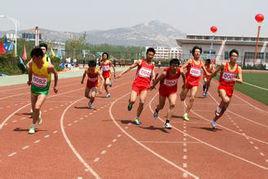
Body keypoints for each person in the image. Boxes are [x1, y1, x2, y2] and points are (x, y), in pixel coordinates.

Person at [117, 47, 156, 125]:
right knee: (133, 100)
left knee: (142, 101)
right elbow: (130, 67)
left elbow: (153, 73)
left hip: (145, 87)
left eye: (152, 55)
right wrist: (121, 74)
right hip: (136, 85)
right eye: (149, 54)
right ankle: (130, 103)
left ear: (153, 55)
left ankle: (137, 118)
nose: (150, 56)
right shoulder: (140, 62)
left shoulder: (152, 64)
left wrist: (153, 80)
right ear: (146, 54)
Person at [27, 47, 58, 134]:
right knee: (34, 110)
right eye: (32, 58)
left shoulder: (49, 67)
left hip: (43, 91)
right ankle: (38, 115)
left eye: (34, 58)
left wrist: (55, 86)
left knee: (37, 107)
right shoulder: (32, 64)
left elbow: (56, 74)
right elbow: (30, 72)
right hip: (33, 89)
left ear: (40, 57)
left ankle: (32, 126)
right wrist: (29, 80)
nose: (32, 60)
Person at [210, 49, 243, 129]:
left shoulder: (238, 68)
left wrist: (236, 79)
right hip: (222, 86)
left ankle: (214, 121)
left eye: (236, 56)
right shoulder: (224, 65)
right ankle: (218, 108)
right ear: (230, 57)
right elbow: (216, 71)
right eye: (233, 56)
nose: (234, 57)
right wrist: (212, 75)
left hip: (230, 89)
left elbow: (241, 80)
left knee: (224, 109)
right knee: (225, 100)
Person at [151, 58, 185, 129]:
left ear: (178, 66)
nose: (174, 68)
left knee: (172, 104)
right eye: (173, 66)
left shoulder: (180, 71)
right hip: (163, 91)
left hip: (172, 91)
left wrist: (184, 84)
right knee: (161, 106)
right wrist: (153, 85)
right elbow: (158, 79)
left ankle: (167, 122)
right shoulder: (165, 72)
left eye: (176, 66)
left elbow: (184, 77)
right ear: (170, 66)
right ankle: (157, 110)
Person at [180, 46, 211, 121]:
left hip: (195, 83)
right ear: (193, 53)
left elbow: (206, 72)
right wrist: (181, 72)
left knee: (192, 97)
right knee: (182, 98)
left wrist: (213, 73)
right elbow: (182, 67)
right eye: (196, 51)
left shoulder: (201, 62)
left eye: (199, 52)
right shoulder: (190, 61)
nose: (197, 53)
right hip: (187, 82)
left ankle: (186, 113)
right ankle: (182, 91)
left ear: (200, 53)